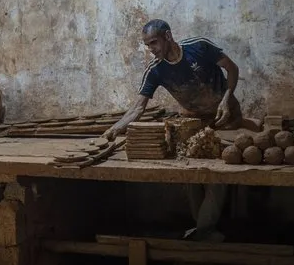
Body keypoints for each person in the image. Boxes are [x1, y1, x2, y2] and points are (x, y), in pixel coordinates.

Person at [103, 19, 250, 241]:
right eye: (147, 45)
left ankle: (203, 231)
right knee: (189, 174)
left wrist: (227, 98)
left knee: (219, 175)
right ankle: (204, 231)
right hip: (194, 123)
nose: (151, 49)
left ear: (168, 36)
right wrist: (114, 129)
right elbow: (138, 107)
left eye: (154, 42)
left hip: (225, 118)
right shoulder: (156, 70)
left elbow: (232, 68)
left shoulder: (199, 47)